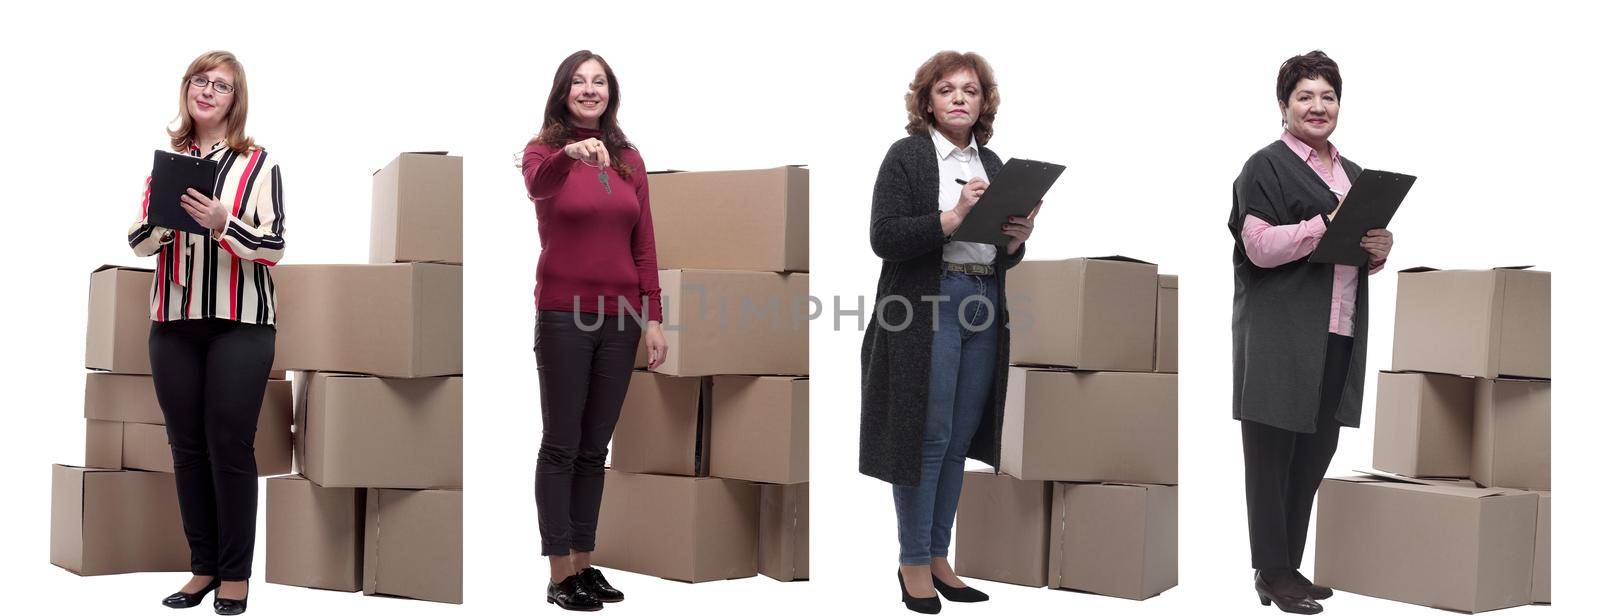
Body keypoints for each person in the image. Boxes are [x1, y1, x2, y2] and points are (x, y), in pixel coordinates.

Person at [859, 50, 1038, 614]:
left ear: (984, 102)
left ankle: (939, 556)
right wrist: (953, 216)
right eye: (947, 89)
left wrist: (1016, 237)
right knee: (926, 435)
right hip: (928, 303)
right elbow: (884, 237)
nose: (960, 98)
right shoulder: (908, 157)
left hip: (984, 296)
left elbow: (1002, 255)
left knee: (959, 438)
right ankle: (913, 560)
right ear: (927, 101)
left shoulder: (996, 162)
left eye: (971, 90)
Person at [1227, 50, 1394, 615]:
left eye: (1327, 96)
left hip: (1338, 330)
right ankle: (1271, 570)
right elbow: (1258, 247)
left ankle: (1288, 567)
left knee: (1315, 451)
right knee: (1271, 452)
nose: (1317, 106)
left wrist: (1377, 249)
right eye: (1305, 96)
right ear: (1283, 106)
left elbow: (1354, 254)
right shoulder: (1264, 167)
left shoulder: (1354, 175)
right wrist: (1326, 222)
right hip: (1280, 334)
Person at [130, 50, 285, 616]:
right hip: (172, 324)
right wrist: (165, 227)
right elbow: (138, 239)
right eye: (200, 80)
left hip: (241, 324)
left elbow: (274, 247)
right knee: (188, 448)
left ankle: (235, 576)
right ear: (187, 91)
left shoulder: (258, 162)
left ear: (234, 99)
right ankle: (202, 568)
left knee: (229, 445)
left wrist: (225, 224)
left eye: (221, 85)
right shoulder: (168, 164)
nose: (208, 90)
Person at [520, 49, 668, 612]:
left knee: (594, 447)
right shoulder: (543, 154)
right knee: (561, 442)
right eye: (578, 82)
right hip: (564, 314)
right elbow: (537, 187)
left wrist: (654, 317)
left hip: (622, 317)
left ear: (611, 92)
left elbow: (645, 244)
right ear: (563, 92)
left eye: (598, 82)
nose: (589, 90)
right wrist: (570, 154)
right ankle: (560, 573)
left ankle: (584, 562)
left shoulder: (629, 158)